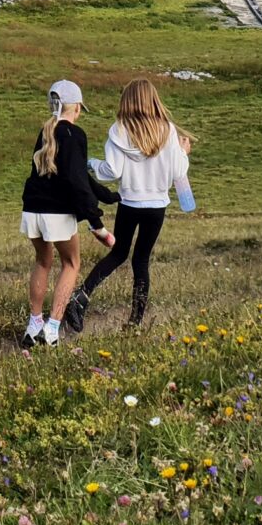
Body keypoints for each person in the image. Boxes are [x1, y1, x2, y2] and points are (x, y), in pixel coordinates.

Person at [68, 78, 194, 332]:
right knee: (141, 261)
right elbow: (178, 172)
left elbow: (111, 171)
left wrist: (91, 163)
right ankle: (135, 322)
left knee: (117, 254)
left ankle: (82, 296)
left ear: (127, 100)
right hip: (157, 205)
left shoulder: (119, 130)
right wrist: (183, 152)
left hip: (130, 202)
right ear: (153, 100)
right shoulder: (168, 131)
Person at [19, 79, 117, 346]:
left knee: (43, 262)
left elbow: (76, 176)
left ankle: (33, 325)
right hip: (57, 213)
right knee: (71, 263)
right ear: (75, 107)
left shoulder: (47, 132)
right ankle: (52, 330)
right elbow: (75, 181)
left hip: (32, 210)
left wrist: (107, 196)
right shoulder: (75, 134)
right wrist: (97, 225)